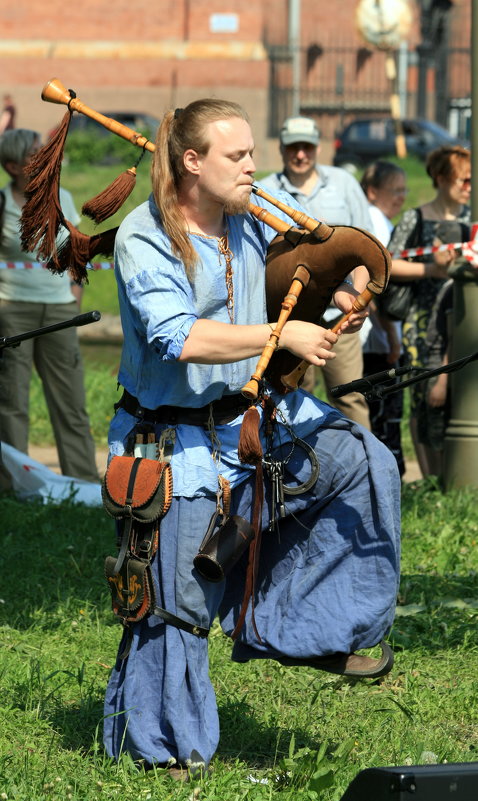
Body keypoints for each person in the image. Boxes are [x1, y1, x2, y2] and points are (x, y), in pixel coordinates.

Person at [102, 99, 400, 776]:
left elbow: (324, 253)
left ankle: (314, 627)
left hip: (256, 421)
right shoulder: (145, 235)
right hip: (171, 444)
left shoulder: (250, 213)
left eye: (251, 154)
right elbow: (178, 336)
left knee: (361, 461)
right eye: (236, 156)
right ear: (191, 163)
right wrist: (279, 335)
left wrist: (350, 285)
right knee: (174, 601)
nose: (252, 166)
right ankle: (159, 748)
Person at [0, 129, 99, 490]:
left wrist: (75, 294)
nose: (43, 155)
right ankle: (14, 485)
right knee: (12, 402)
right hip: (12, 311)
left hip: (60, 313)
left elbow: (74, 249)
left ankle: (83, 483)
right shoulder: (2, 204)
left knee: (70, 402)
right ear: (13, 166)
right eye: (33, 152)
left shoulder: (62, 198)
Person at [260, 116, 373, 429]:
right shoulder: (266, 190)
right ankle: (294, 473)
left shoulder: (344, 184)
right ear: (281, 149)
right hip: (289, 314)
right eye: (293, 147)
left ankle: (364, 467)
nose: (300, 154)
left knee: (351, 394)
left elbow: (365, 250)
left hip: (340, 313)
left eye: (306, 147)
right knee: (289, 395)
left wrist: (358, 300)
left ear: (318, 148)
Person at [386, 145, 471, 478]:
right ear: (441, 178)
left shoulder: (471, 220)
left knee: (460, 400)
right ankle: (432, 480)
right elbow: (388, 264)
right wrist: (429, 271)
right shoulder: (416, 218)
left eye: (471, 181)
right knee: (425, 401)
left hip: (463, 321)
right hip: (421, 326)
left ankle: (458, 477)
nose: (468, 187)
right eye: (462, 180)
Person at [360, 161, 407, 476]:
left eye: (404, 190)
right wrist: (391, 334)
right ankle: (387, 476)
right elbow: (376, 282)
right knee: (384, 415)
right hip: (376, 341)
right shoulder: (374, 222)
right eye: (396, 190)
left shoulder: (380, 220)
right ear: (373, 191)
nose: (402, 197)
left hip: (378, 338)